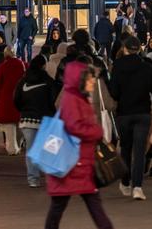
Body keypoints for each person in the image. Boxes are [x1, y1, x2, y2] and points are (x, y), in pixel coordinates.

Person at [44, 62, 114, 229]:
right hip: (74, 163)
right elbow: (74, 127)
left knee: (61, 204)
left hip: (76, 163)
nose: (92, 83)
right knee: (85, 203)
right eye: (90, 79)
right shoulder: (73, 100)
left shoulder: (75, 97)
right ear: (80, 80)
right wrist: (96, 132)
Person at [108, 36, 152, 201]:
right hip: (143, 113)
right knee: (140, 151)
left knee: (125, 149)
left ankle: (125, 183)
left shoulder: (117, 67)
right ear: (139, 49)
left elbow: (114, 92)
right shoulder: (147, 67)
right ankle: (138, 187)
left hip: (124, 114)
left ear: (125, 49)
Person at [14, 55, 56, 187]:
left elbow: (16, 99)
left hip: (27, 120)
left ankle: (33, 179)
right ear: (43, 66)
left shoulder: (23, 81)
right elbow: (54, 101)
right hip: (46, 120)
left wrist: (24, 110)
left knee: (31, 150)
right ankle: (51, 178)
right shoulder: (48, 81)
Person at [0, 47, 26, 155]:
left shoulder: (2, 67)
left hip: (6, 99)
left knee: (9, 126)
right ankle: (18, 143)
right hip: (21, 97)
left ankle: (12, 149)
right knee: (21, 123)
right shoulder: (23, 64)